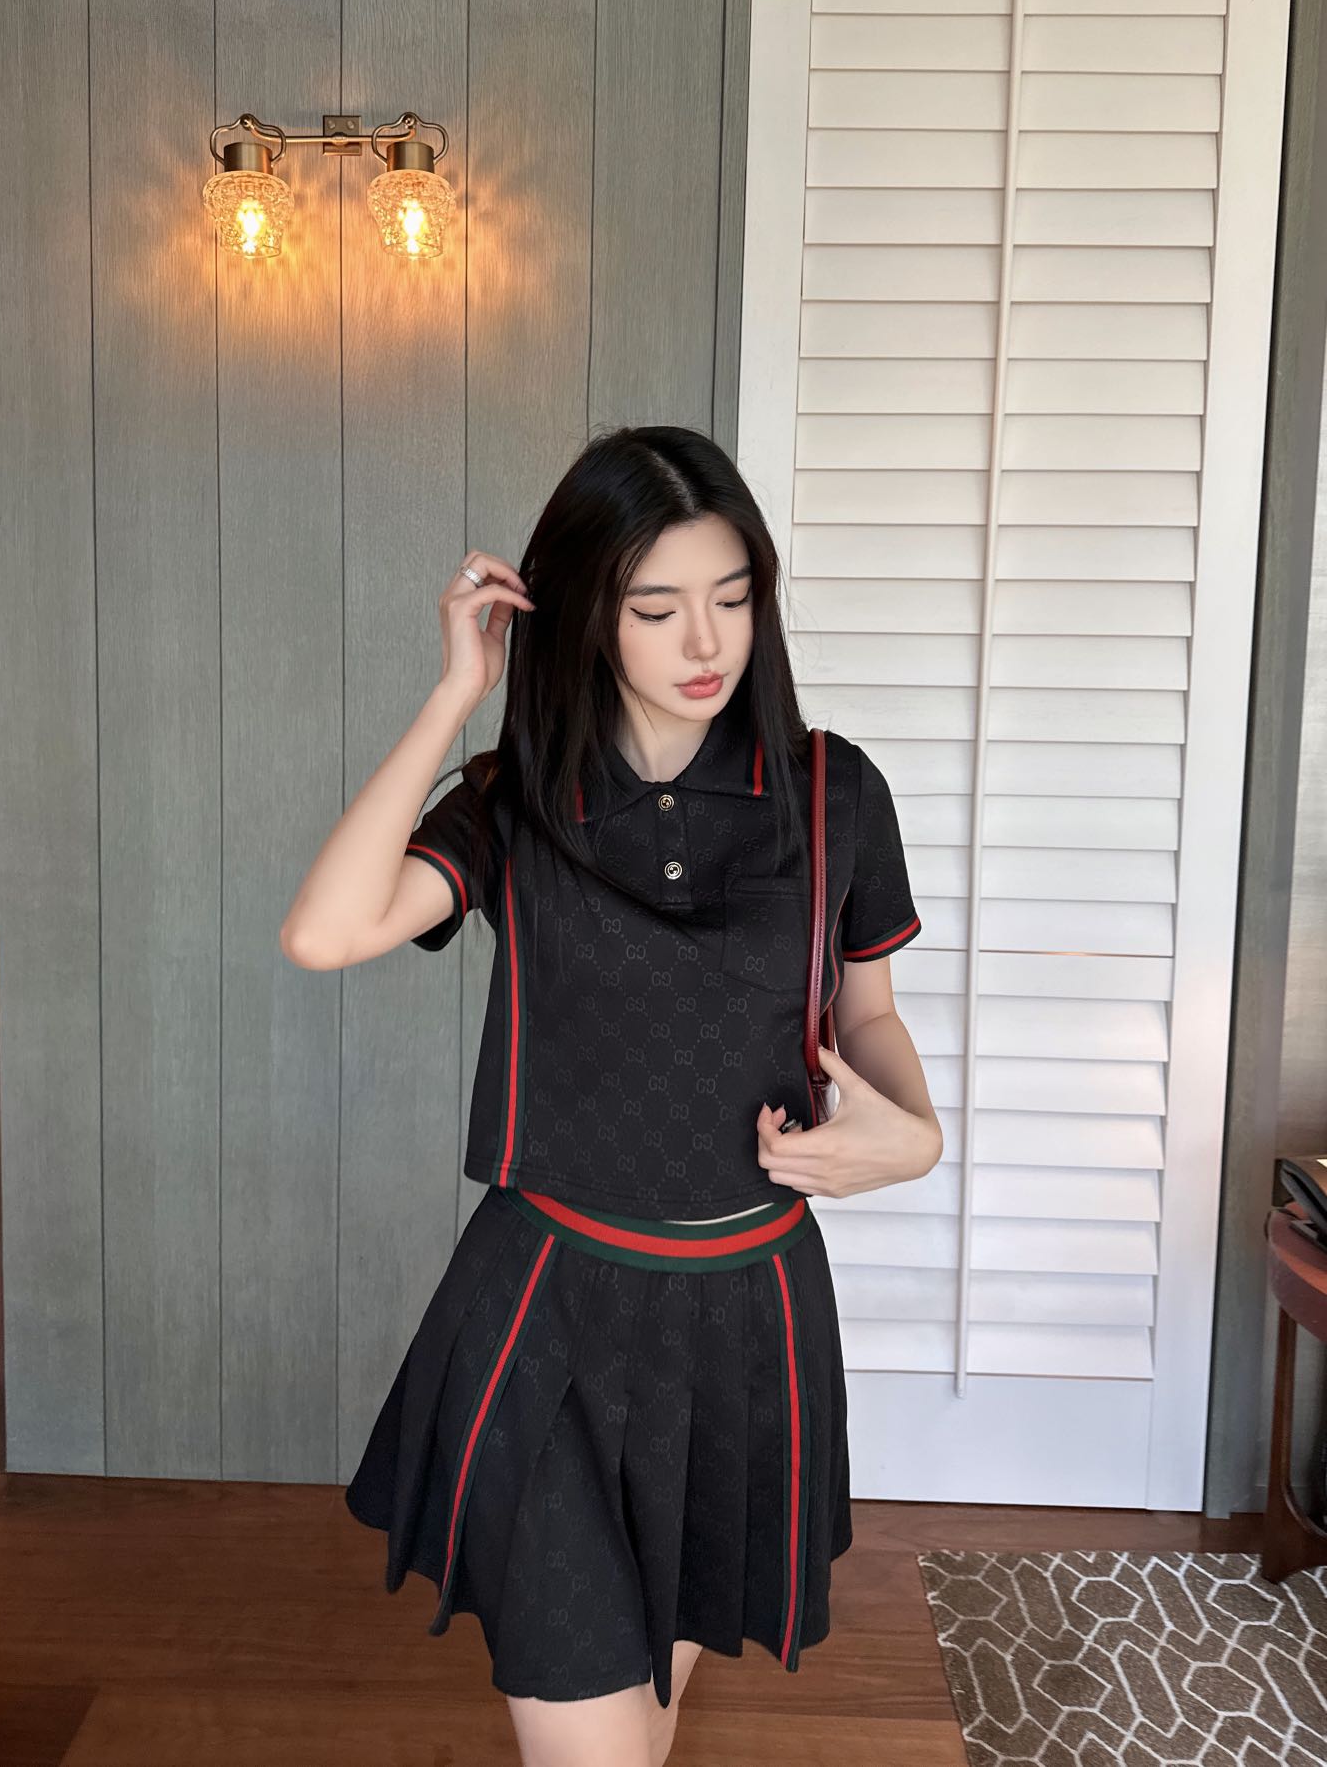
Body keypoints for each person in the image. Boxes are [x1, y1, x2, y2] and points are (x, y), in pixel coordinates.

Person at [280, 424, 942, 1767]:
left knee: (643, 1718)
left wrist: (912, 1138)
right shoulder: (516, 801)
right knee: (597, 1746)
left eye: (733, 598)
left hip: (747, 1322)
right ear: (588, 612)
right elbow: (327, 930)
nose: (705, 640)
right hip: (549, 1318)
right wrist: (455, 694)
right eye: (656, 607)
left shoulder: (835, 793)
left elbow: (865, 1011)